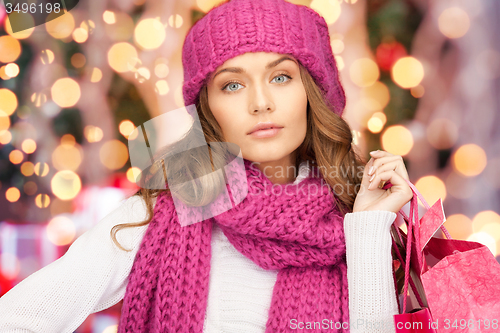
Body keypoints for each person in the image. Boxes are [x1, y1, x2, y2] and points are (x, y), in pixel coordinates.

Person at [0, 0, 414, 332]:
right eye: (232, 85)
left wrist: (366, 229)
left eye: (281, 77)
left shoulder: (359, 219)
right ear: (208, 109)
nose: (260, 102)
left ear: (313, 91)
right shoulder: (162, 211)